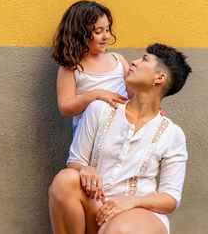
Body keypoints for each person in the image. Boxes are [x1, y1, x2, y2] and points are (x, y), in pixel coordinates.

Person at [49, 43, 192, 234]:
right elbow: (75, 163)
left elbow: (170, 198)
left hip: (138, 214)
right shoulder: (99, 109)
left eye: (144, 59)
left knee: (121, 231)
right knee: (64, 181)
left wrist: (131, 202)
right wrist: (86, 169)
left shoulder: (172, 134)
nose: (133, 62)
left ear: (159, 78)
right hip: (96, 206)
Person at [52, 0, 133, 135]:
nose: (106, 36)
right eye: (98, 31)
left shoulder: (118, 60)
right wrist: (95, 95)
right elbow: (65, 108)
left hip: (121, 131)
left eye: (107, 29)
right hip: (89, 135)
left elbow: (134, 94)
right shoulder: (71, 68)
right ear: (79, 34)